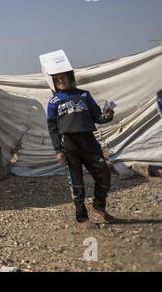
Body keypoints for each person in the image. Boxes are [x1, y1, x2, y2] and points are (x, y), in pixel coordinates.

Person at [41, 50, 116, 229]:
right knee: (77, 183)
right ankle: (81, 218)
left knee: (104, 175)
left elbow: (98, 117)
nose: (61, 81)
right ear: (54, 82)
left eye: (64, 78)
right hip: (69, 145)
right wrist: (58, 151)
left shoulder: (84, 95)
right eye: (57, 79)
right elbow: (52, 128)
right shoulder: (53, 102)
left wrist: (108, 115)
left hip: (89, 141)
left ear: (70, 77)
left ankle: (98, 205)